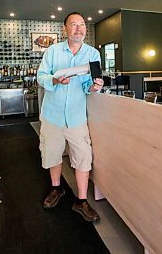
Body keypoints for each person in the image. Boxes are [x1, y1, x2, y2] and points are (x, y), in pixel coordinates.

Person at [36, 12, 104, 222]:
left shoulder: (93, 54)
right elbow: (41, 77)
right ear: (64, 29)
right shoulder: (53, 52)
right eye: (73, 25)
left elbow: (88, 86)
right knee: (52, 154)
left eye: (82, 25)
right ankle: (56, 189)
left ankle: (81, 201)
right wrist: (55, 81)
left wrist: (94, 86)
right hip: (52, 115)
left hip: (76, 117)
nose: (78, 29)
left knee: (83, 157)